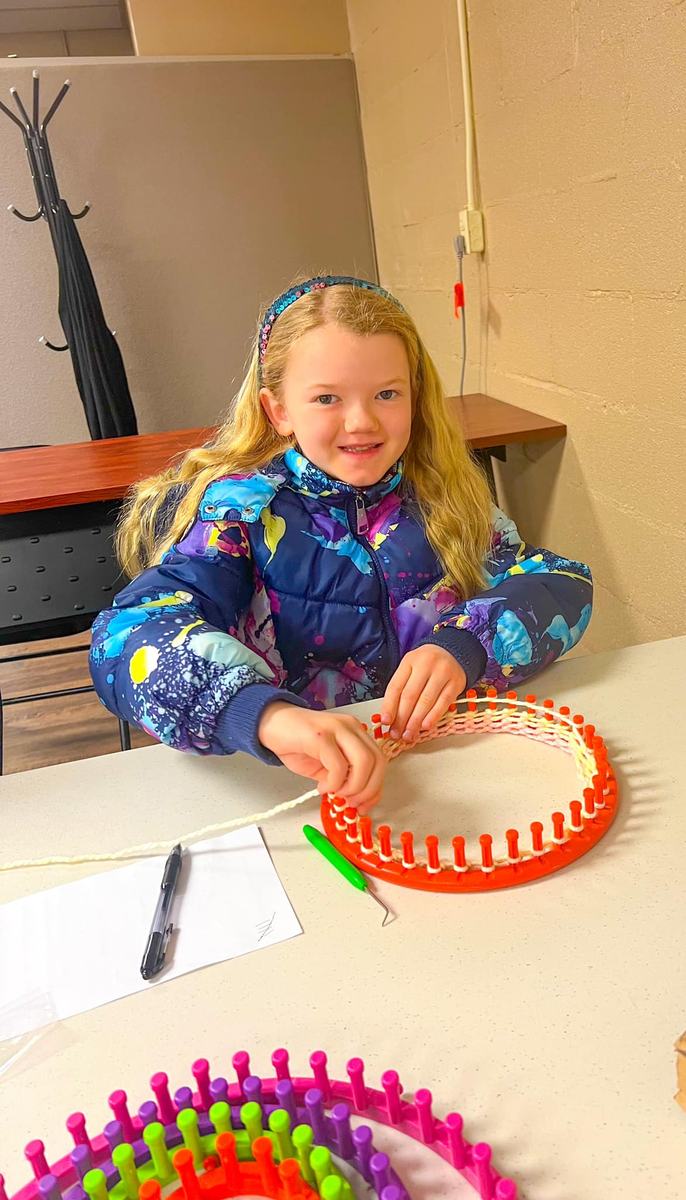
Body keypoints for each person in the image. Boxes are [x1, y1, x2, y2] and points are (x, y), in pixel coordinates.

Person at [90, 275, 592, 812]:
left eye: (387, 393)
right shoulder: (240, 512)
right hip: (303, 785)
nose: (362, 421)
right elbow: (125, 638)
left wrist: (466, 645)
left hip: (446, 769)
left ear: (415, 398)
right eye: (327, 397)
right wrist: (261, 715)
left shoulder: (447, 497)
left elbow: (559, 585)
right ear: (278, 410)